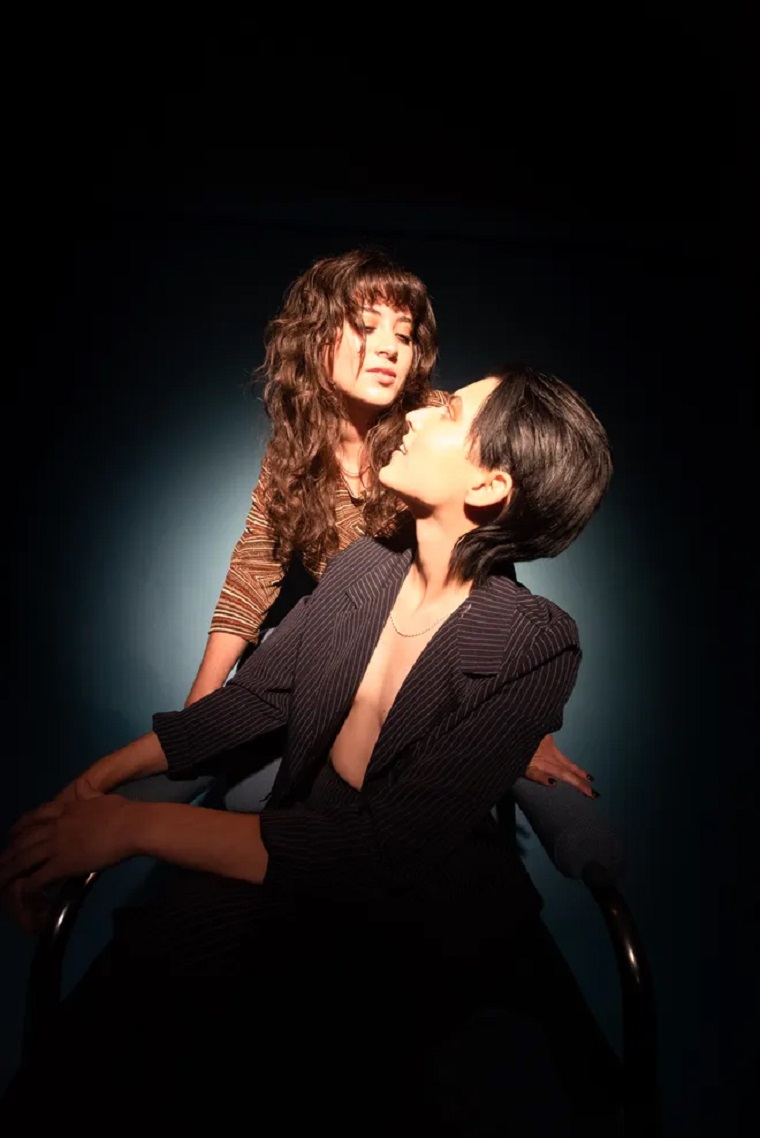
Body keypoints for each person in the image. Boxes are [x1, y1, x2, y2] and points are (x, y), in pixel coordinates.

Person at [0, 366, 618, 1134]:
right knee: (106, 1030)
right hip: (293, 868)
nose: (417, 414)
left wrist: (133, 826)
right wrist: (90, 789)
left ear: (489, 487)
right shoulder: (367, 567)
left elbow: (379, 854)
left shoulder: (537, 642)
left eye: (450, 412)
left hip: (421, 924)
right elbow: (256, 702)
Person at [138, 247, 594, 808]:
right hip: (319, 656)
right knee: (230, 783)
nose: (389, 348)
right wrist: (202, 702)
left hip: (410, 673)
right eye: (365, 326)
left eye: (403, 334)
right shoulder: (295, 449)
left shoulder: (433, 429)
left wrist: (525, 728)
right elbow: (253, 571)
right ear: (315, 337)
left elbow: (486, 560)